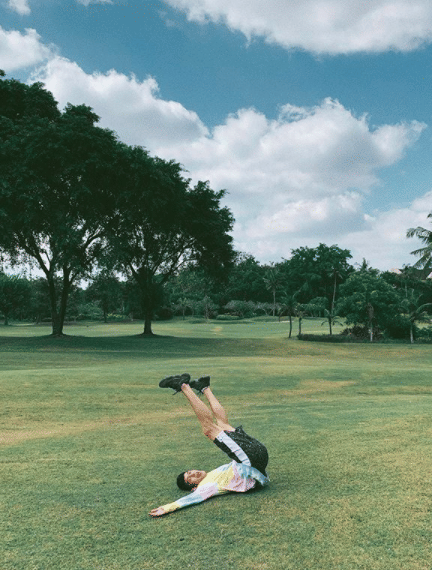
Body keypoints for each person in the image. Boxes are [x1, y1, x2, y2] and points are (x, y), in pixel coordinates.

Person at [149, 373, 269, 517]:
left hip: (253, 457)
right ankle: (184, 385)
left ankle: (204, 388)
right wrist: (169, 507)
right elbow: (193, 498)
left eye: (190, 471)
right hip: (251, 460)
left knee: (222, 425)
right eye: (190, 478)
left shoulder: (214, 473)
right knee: (209, 428)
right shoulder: (206, 486)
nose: (193, 473)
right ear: (193, 487)